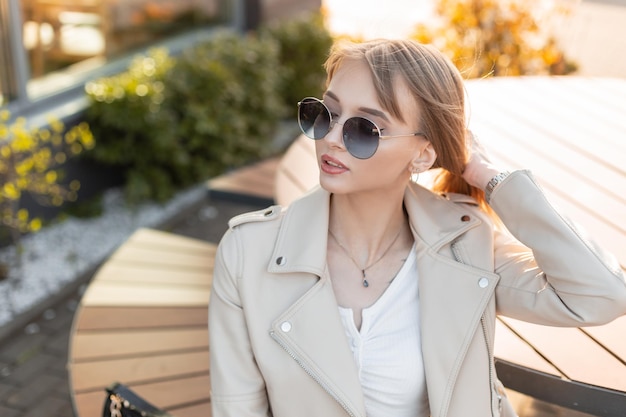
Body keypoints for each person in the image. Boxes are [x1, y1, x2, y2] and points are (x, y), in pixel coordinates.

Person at [208, 39, 626, 417]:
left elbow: (599, 294)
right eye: (326, 113)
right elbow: (237, 407)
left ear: (423, 155)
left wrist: (490, 178)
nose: (332, 137)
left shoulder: (465, 246)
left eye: (363, 129)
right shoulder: (248, 252)